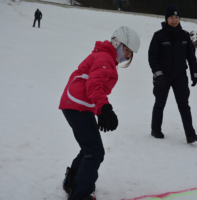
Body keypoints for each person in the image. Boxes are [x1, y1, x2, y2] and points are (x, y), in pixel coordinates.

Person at [59, 26, 140, 200]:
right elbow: (93, 85)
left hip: (77, 104)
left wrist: (98, 111)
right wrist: (105, 109)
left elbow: (94, 87)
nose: (127, 55)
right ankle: (80, 195)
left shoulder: (106, 57)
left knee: (90, 149)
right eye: (126, 50)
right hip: (77, 105)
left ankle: (71, 182)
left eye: (130, 53)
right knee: (94, 152)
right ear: (117, 43)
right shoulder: (106, 58)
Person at [148, 5, 197, 144]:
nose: (174, 20)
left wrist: (195, 74)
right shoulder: (159, 36)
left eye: (177, 17)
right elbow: (152, 57)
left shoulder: (184, 36)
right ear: (166, 19)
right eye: (171, 17)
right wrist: (158, 75)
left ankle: (190, 134)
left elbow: (191, 57)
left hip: (180, 76)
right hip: (163, 77)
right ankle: (155, 129)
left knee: (184, 104)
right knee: (160, 103)